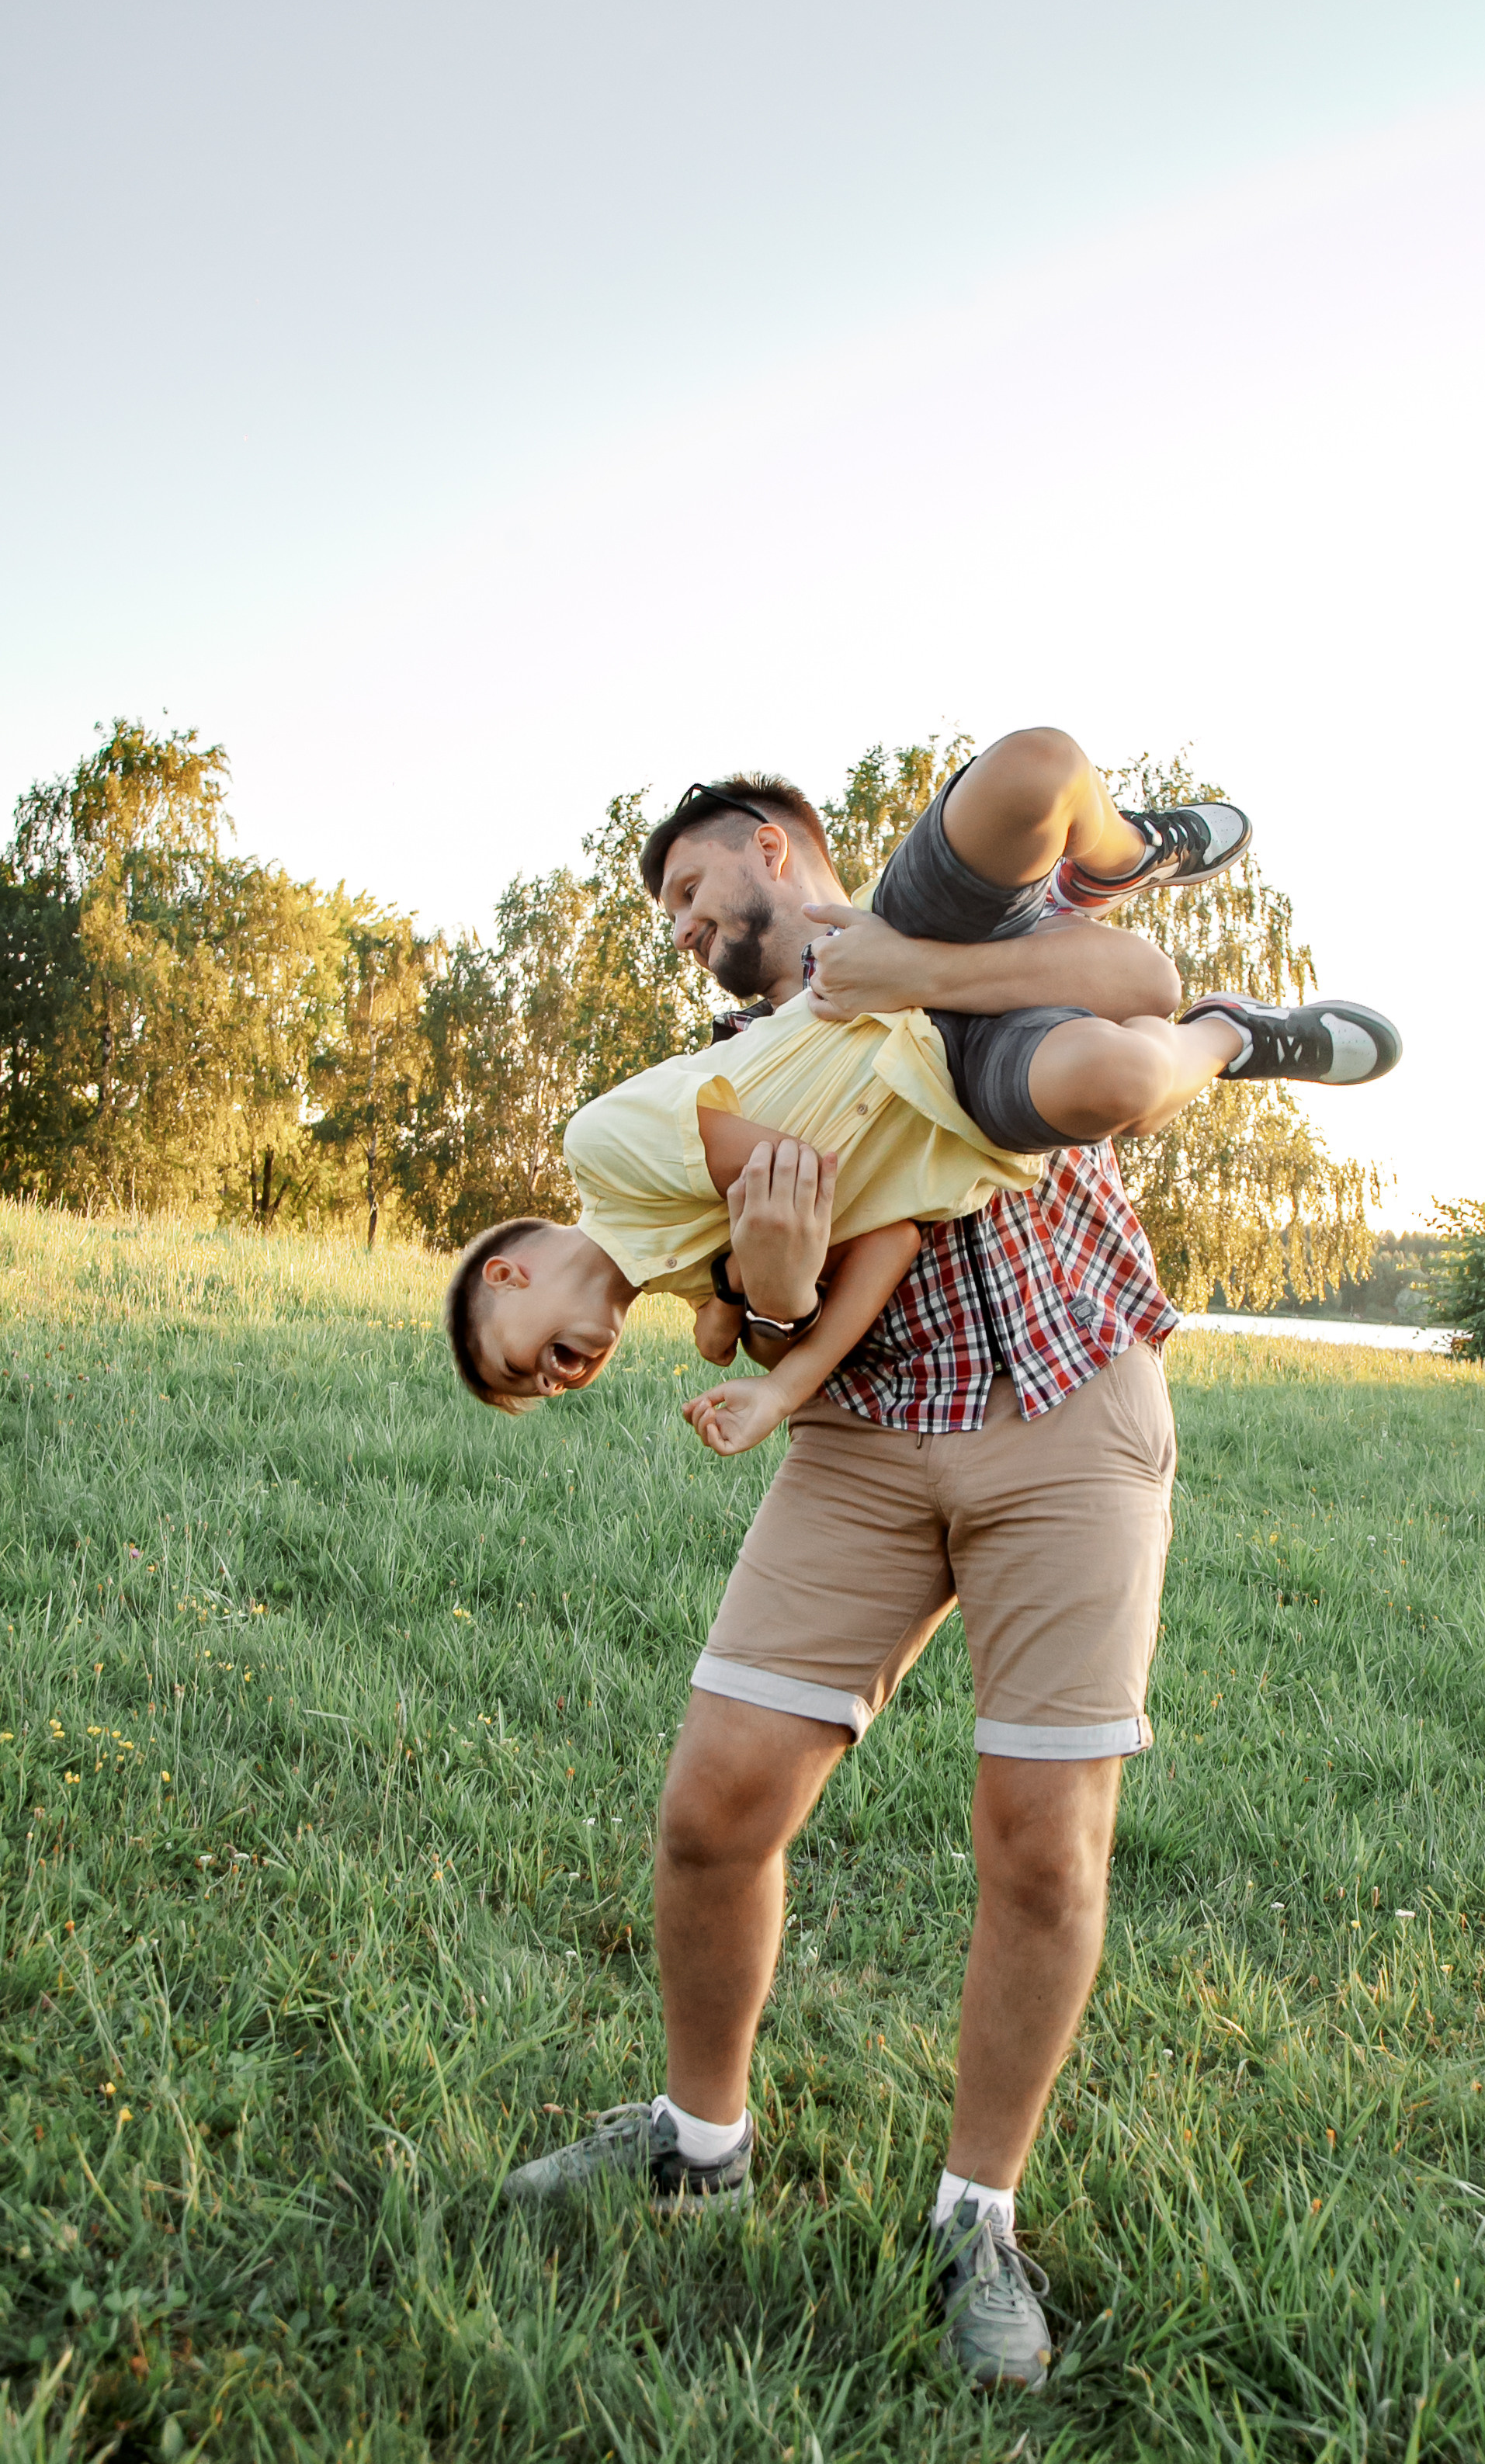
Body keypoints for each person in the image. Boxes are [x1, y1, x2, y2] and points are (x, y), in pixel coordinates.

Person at [494, 741, 1401, 2391]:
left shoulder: (962, 938)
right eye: (674, 923)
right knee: (714, 1804)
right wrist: (769, 1304)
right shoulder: (724, 1077)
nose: (689, 930)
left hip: (1067, 1398)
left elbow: (1122, 968)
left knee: (1042, 1841)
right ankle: (700, 2140)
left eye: (697, 891)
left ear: (778, 847)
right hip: (860, 1436)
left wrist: (940, 970)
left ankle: (973, 2213)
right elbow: (720, 1316)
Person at [447, 730, 1398, 1448]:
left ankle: (1126, 850)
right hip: (953, 1097)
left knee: (1037, 767)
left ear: (507, 1273)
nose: (542, 1382)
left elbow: (793, 1172)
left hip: (880, 967)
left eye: (690, 892)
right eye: (531, 1390)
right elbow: (889, 1232)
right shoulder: (689, 1272)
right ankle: (1230, 1034)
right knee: (1130, 1065)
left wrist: (748, 1295)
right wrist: (769, 1350)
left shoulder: (601, 1153)